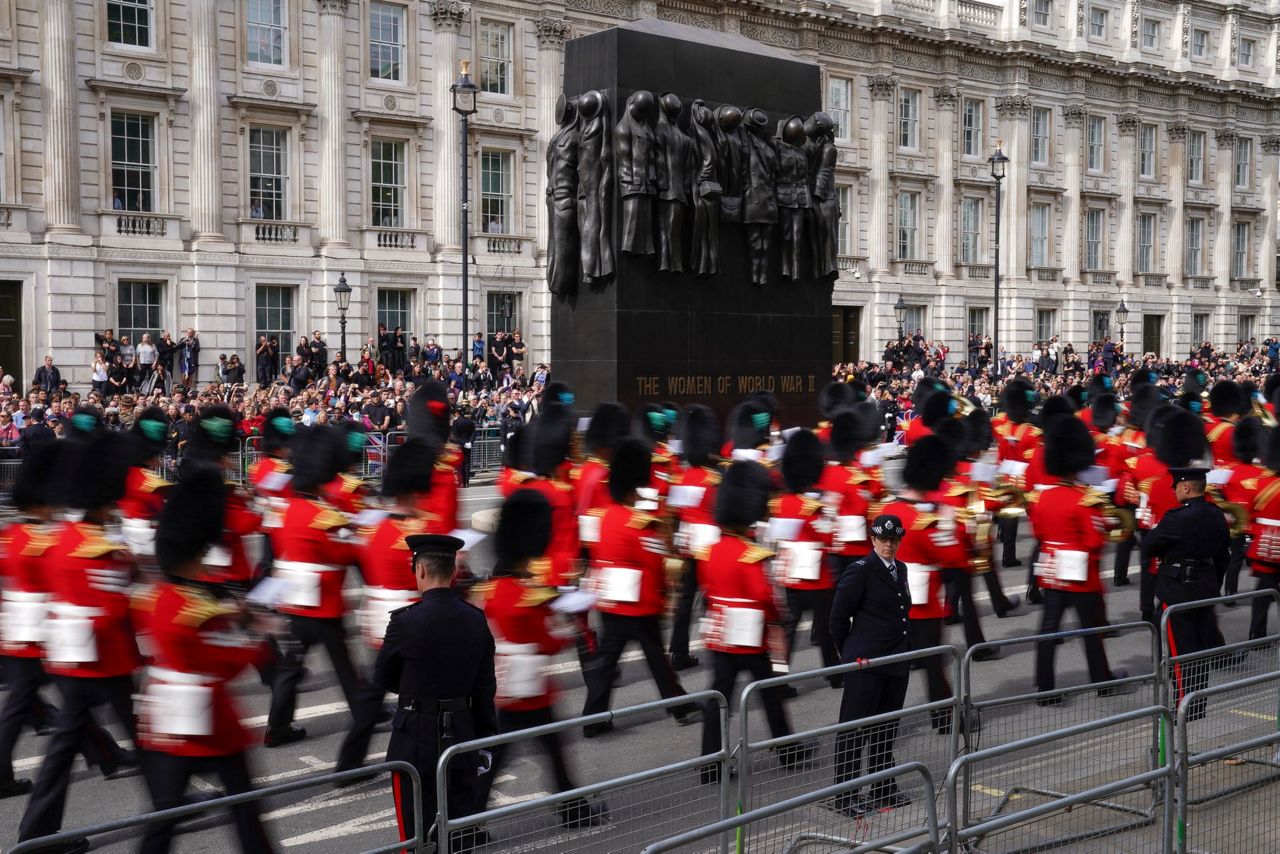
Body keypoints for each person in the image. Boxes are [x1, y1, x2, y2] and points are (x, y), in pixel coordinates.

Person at [135, 468, 277, 853]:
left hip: (164, 719)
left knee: (162, 820)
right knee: (246, 812)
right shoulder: (196, 609)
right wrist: (257, 634)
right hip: (211, 721)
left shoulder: (158, 597)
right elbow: (226, 663)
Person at [19, 431, 140, 847]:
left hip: (74, 651)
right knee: (140, 733)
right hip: (99, 654)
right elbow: (112, 610)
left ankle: (37, 834)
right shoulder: (93, 545)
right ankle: (171, 801)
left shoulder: (66, 536)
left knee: (67, 748)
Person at [474, 490, 607, 826]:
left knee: (501, 754)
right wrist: (566, 630)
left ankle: (470, 823)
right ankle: (571, 812)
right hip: (530, 686)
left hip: (503, 685)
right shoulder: (525, 595)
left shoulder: (494, 590)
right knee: (551, 750)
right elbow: (548, 643)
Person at [374, 533, 497, 848]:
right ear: (454, 572)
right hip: (461, 730)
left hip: (413, 733)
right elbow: (485, 689)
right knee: (460, 830)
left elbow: (384, 676)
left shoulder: (404, 621)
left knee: (415, 835)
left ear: (420, 570)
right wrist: (484, 742)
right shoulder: (475, 619)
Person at [695, 460, 810, 783]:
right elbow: (763, 596)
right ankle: (789, 752)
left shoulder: (709, 551)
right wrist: (778, 618)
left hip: (721, 635)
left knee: (719, 697)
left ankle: (710, 762)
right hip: (750, 636)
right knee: (769, 693)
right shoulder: (750, 554)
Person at [580, 438, 700, 733]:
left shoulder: (604, 517)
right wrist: (666, 596)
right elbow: (654, 565)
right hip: (639, 604)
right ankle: (679, 705)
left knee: (608, 662)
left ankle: (592, 719)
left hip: (610, 600)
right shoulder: (640, 523)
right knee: (657, 660)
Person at [1029, 417, 1129, 702]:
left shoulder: (1042, 499)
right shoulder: (1084, 500)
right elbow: (1095, 541)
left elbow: (1038, 532)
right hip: (1080, 573)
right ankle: (1102, 680)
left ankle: (1045, 688)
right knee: (1091, 629)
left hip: (1051, 569)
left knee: (1048, 628)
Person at [828, 514, 914, 816]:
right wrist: (849, 654)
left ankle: (882, 786)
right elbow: (838, 618)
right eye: (883, 539)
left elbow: (902, 610)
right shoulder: (860, 571)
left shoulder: (899, 569)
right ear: (873, 539)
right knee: (854, 730)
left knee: (886, 729)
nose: (889, 544)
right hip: (865, 662)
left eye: (894, 539)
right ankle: (845, 794)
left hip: (893, 661)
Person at [1142, 466, 1231, 721]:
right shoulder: (1216, 514)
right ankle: (1197, 703)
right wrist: (1213, 583)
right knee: (1200, 649)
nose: (1174, 490)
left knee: (1179, 654)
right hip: (1205, 587)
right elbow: (1223, 555)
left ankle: (1184, 707)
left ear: (1185, 487)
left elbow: (1149, 546)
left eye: (1176, 486)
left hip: (1178, 590)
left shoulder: (1176, 517)